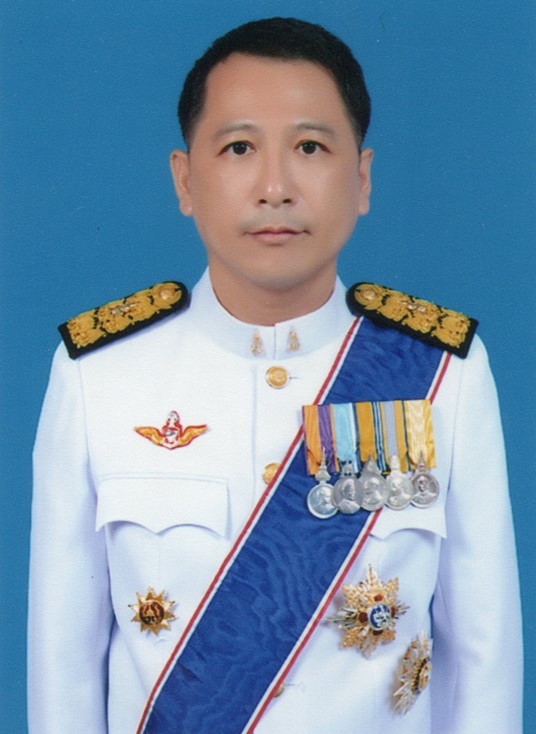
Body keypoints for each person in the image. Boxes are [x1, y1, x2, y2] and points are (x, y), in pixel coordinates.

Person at [28, 17, 522, 734]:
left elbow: (484, 659)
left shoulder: (444, 374)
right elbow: (63, 666)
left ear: (361, 179)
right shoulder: (98, 376)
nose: (274, 187)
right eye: (239, 148)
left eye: (309, 147)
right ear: (185, 180)